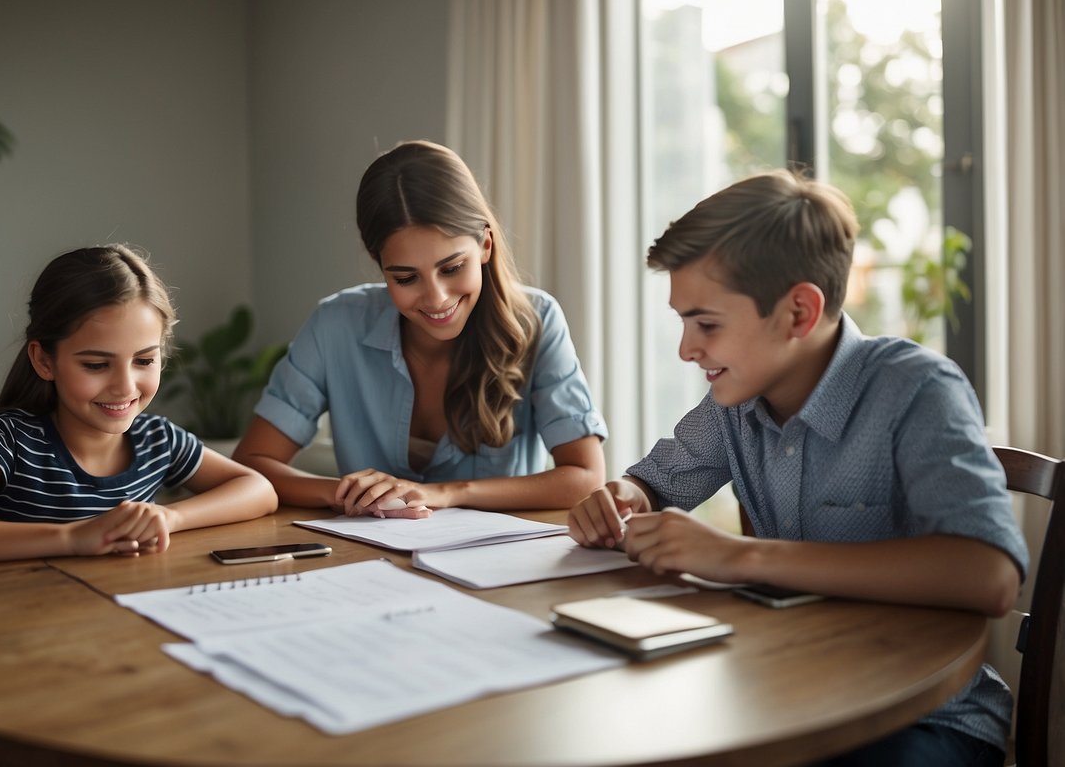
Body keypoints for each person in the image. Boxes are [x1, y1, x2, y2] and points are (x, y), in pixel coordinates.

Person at [567, 170, 1027, 766]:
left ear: (798, 312)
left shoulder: (915, 390)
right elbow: (654, 483)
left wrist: (742, 556)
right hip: (782, 694)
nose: (686, 349)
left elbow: (990, 575)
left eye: (706, 324)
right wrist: (621, 497)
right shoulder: (736, 400)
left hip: (923, 718)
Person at [233, 140, 607, 518]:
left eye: (451, 268)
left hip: (500, 568)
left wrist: (445, 492)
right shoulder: (335, 325)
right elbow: (253, 462)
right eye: (406, 278)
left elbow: (586, 477)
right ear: (381, 267)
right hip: (365, 563)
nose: (436, 298)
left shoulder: (538, 320)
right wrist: (356, 493)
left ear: (485, 245)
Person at [0, 244, 278, 569]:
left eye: (144, 360)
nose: (125, 387)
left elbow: (258, 489)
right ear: (44, 361)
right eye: (96, 365)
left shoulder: (157, 440)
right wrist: (73, 536)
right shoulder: (7, 441)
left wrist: (172, 517)